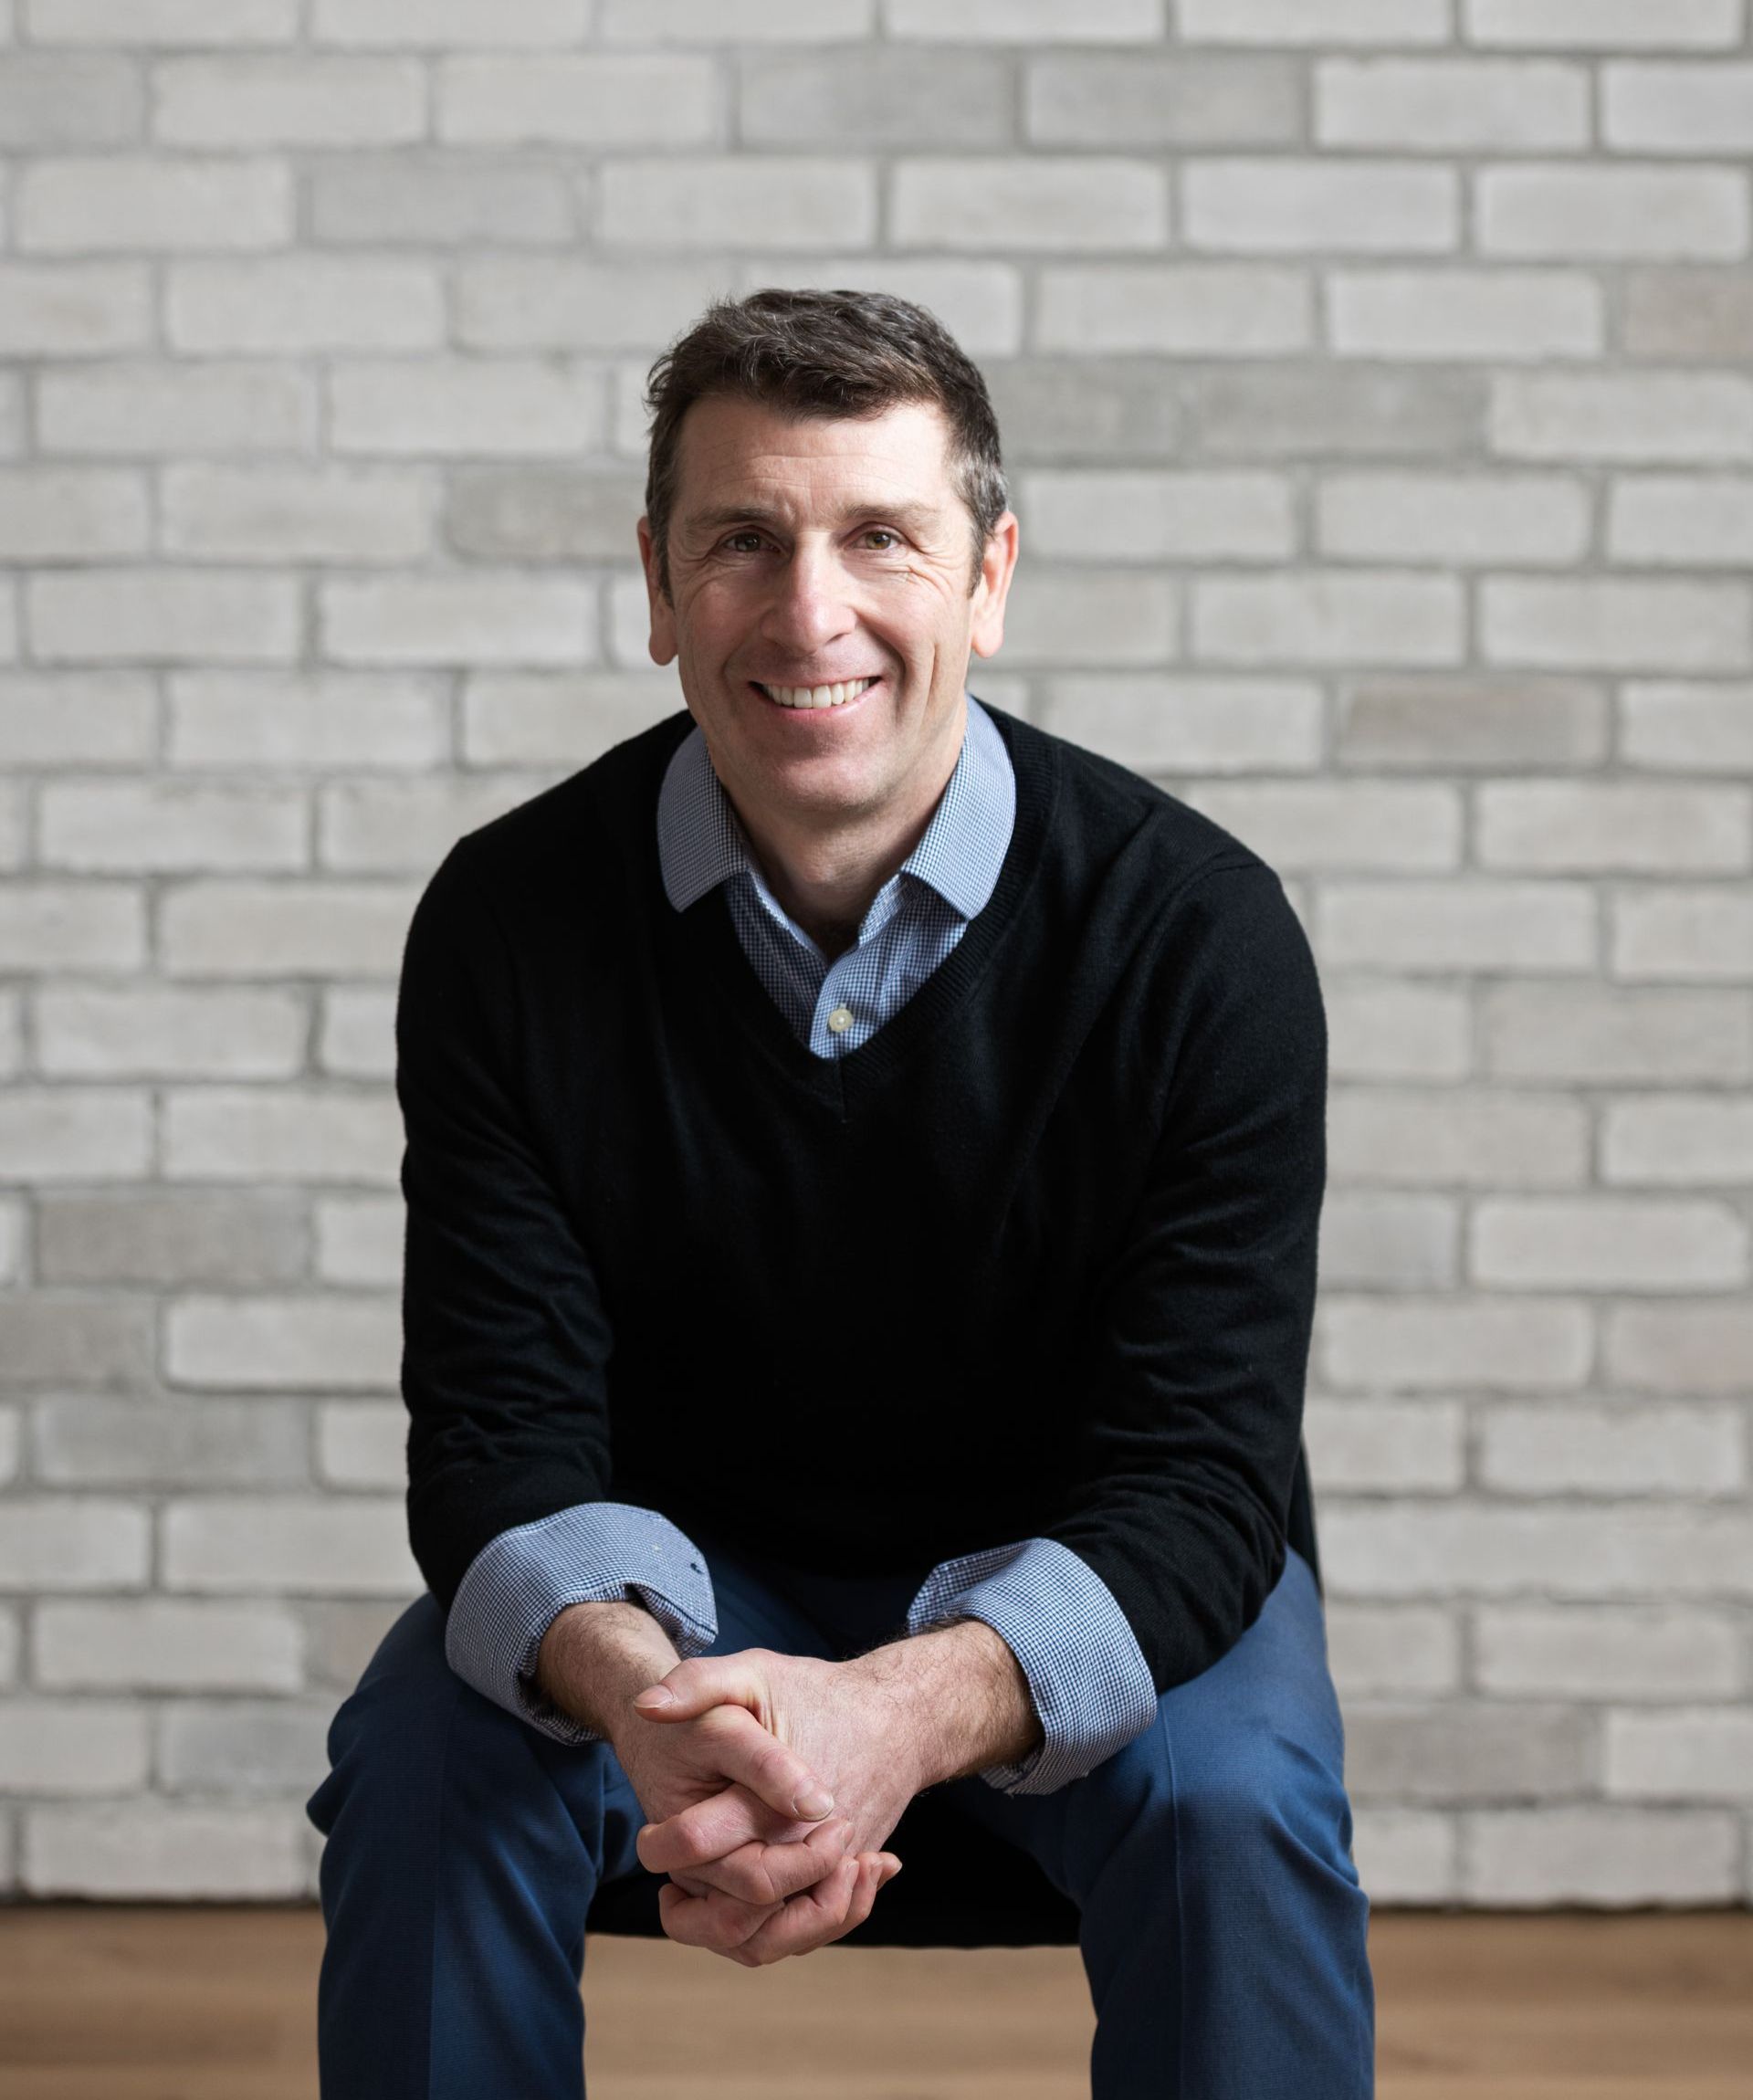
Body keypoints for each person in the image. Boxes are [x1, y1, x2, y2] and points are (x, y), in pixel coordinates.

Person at [306, 287, 1375, 2098]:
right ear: (657, 585)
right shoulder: (504, 925)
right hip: (668, 1594)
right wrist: (642, 1691)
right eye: (744, 541)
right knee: (422, 1766)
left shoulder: (1200, 940)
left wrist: (902, 1703)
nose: (812, 611)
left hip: (1096, 1558)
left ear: (988, 578)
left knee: (1239, 1805)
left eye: (882, 535)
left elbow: (1205, 1480)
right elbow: (495, 1438)